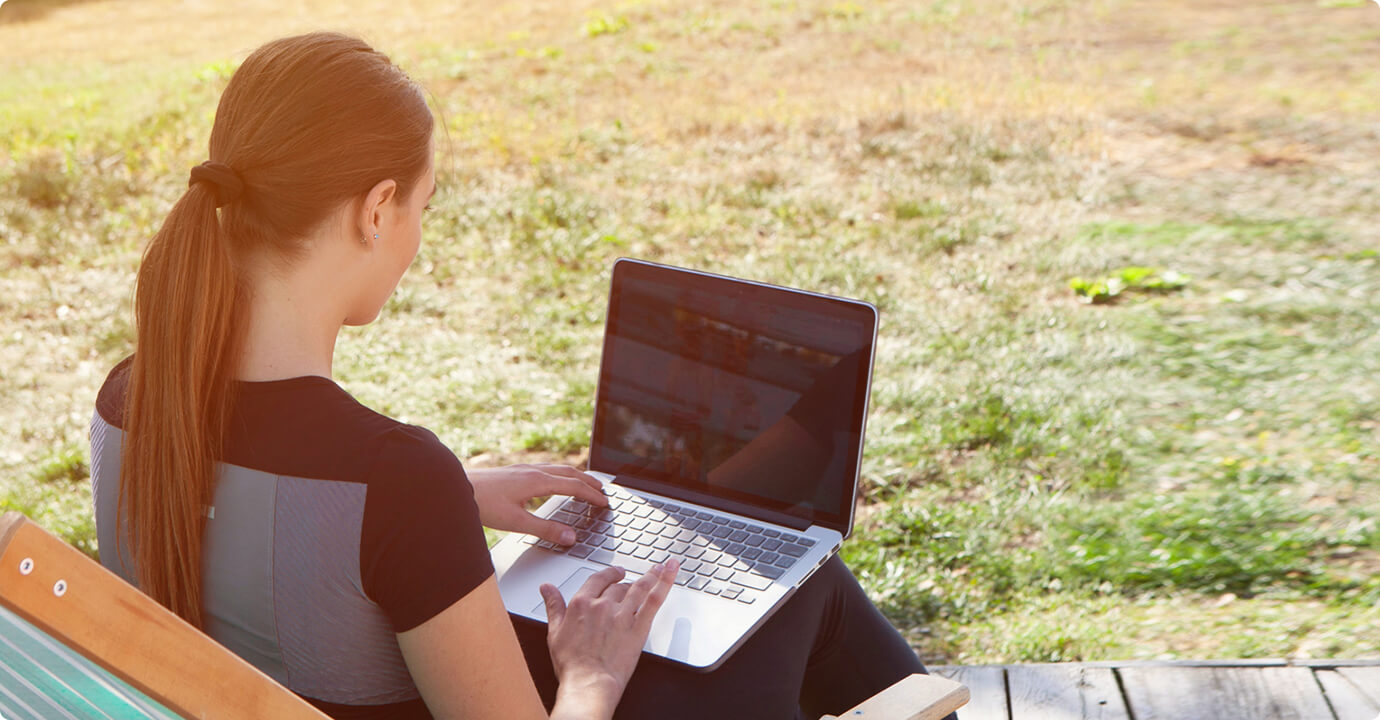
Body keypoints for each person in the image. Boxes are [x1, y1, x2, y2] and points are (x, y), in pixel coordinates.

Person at [89, 31, 951, 720]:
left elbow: (271, 530)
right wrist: (591, 674)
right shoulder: (392, 476)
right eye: (423, 208)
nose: (416, 238)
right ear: (375, 210)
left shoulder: (131, 401)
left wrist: (446, 502)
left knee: (764, 591)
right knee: (804, 594)